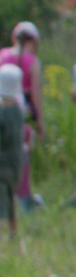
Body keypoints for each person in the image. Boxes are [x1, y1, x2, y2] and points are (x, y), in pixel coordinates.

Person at [0, 22, 38, 208]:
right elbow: (36, 96)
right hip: (23, 110)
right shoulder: (33, 61)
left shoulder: (2, 55)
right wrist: (41, 122)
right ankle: (24, 197)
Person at [0, 62, 23, 242]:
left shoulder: (2, 114)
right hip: (16, 163)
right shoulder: (19, 111)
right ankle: (13, 233)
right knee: (11, 196)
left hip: (2, 164)